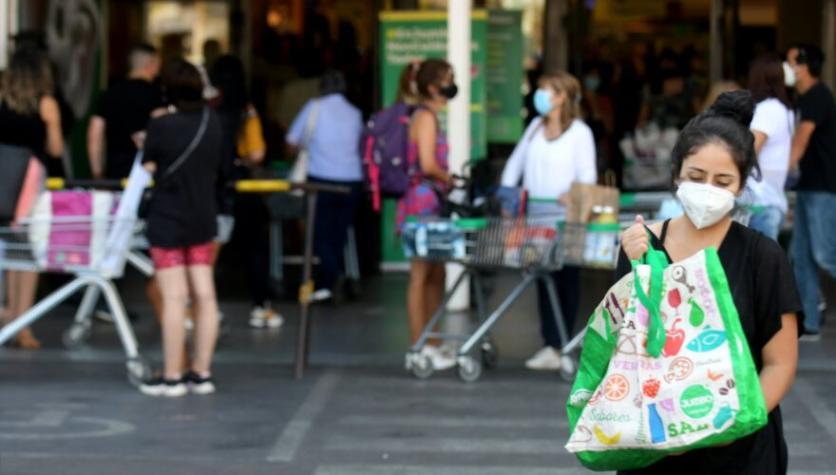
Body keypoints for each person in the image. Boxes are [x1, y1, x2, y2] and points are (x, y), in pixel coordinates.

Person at [617, 91, 801, 474]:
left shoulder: (762, 257)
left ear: (741, 185)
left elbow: (779, 364)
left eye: (723, 180)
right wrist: (636, 272)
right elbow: (622, 351)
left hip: (740, 452)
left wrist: (729, 426)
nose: (708, 190)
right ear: (676, 175)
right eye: (696, 177)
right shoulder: (641, 246)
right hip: (656, 446)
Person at [500, 71, 596, 370]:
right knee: (542, 277)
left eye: (545, 90)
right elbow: (515, 164)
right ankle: (549, 344)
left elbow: (588, 175)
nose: (539, 95)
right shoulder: (534, 128)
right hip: (535, 220)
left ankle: (562, 342)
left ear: (562, 96)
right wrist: (508, 195)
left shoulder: (580, 132)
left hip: (566, 220)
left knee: (566, 278)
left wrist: (573, 195)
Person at [139, 58, 222, 397]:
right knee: (205, 295)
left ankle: (173, 376)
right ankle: (201, 374)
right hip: (203, 216)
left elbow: (148, 167)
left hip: (168, 217)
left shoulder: (161, 125)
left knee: (174, 298)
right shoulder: (213, 122)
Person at [0, 48, 64, 350]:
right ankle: (22, 324)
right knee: (27, 256)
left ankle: (10, 315)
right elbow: (54, 149)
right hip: (29, 186)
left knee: (10, 253)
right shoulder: (46, 103)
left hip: (2, 183)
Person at [209, 54, 279, 329]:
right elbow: (258, 152)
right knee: (255, 247)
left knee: (208, 250)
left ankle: (202, 307)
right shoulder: (246, 109)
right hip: (241, 183)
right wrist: (243, 160)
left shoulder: (207, 106)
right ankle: (260, 305)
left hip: (211, 185)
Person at [396, 58, 457, 370]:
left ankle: (432, 341)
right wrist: (449, 177)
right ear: (433, 87)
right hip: (423, 202)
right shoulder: (426, 117)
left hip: (429, 200)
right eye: (448, 79)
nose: (452, 85)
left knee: (437, 273)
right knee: (421, 274)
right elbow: (427, 163)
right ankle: (419, 345)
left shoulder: (426, 115)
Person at [286, 70, 363, 301]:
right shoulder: (355, 113)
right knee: (338, 234)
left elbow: (291, 142)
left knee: (318, 233)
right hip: (351, 181)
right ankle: (329, 282)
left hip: (321, 179)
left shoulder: (314, 107)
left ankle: (330, 277)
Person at [786, 44, 836, 341]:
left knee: (825, 254)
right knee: (800, 255)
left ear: (803, 66)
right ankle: (810, 323)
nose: (787, 67)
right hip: (809, 186)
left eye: (790, 61)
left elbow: (800, 143)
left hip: (822, 188)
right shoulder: (803, 98)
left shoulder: (817, 95)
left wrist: (778, 178)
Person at [87, 43, 164, 180]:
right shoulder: (157, 96)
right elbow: (164, 132)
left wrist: (97, 173)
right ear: (151, 64)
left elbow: (95, 136)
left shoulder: (108, 94)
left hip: (115, 174)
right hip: (149, 176)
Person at [743, 54, 794, 240]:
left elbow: (749, 152)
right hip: (775, 202)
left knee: (758, 267)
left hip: (759, 203)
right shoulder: (785, 109)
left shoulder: (766, 109)